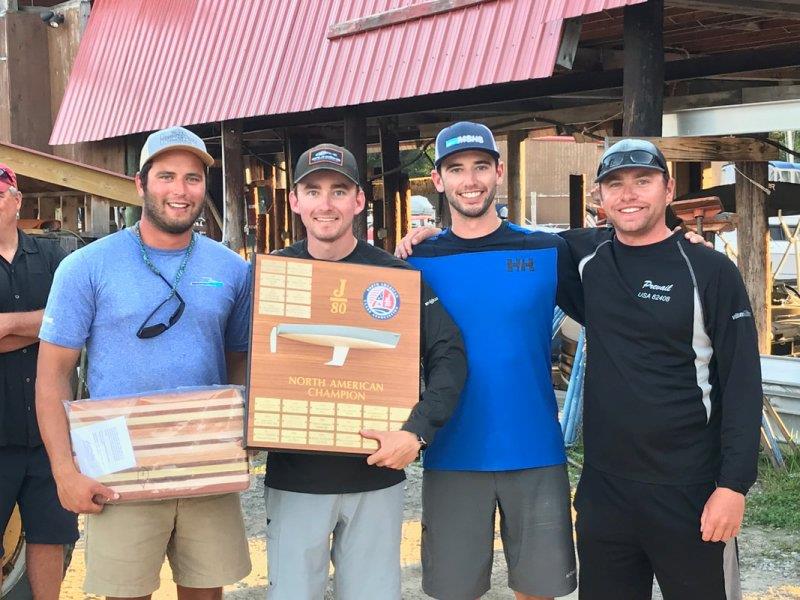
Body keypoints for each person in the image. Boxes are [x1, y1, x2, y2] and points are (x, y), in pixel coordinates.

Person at [35, 127, 252, 600]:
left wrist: (243, 426)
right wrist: (64, 472)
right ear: (140, 183)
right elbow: (53, 375)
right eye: (167, 176)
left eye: (193, 179)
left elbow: (239, 360)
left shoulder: (232, 269)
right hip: (118, 468)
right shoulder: (85, 267)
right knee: (125, 594)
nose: (180, 190)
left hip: (205, 463)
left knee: (205, 591)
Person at [561, 139, 762, 600]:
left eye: (643, 181)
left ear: (668, 189)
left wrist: (733, 486)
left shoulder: (709, 270)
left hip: (689, 491)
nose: (629, 194)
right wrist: (432, 237)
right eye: (615, 184)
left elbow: (742, 385)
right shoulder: (585, 259)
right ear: (600, 197)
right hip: (605, 490)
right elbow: (502, 241)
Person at [264, 143, 466, 600]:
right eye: (312, 191)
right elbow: (243, 359)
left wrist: (416, 433)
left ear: (359, 201)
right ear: (295, 201)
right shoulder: (275, 274)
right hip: (296, 477)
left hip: (375, 476)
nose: (326, 203)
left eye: (339, 190)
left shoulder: (396, 275)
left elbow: (449, 355)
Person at [400, 122, 585, 600]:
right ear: (437, 181)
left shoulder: (546, 250)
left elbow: (616, 286)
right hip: (451, 449)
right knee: (454, 591)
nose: (471, 180)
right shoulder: (413, 264)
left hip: (535, 448)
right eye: (456, 169)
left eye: (481, 166)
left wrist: (678, 242)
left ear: (499, 172)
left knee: (539, 589)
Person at [0, 164, 76, 600]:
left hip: (50, 436)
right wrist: (47, 330)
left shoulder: (54, 258)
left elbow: (74, 325)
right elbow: (58, 327)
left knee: (50, 535)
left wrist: (9, 323)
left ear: (17, 200)